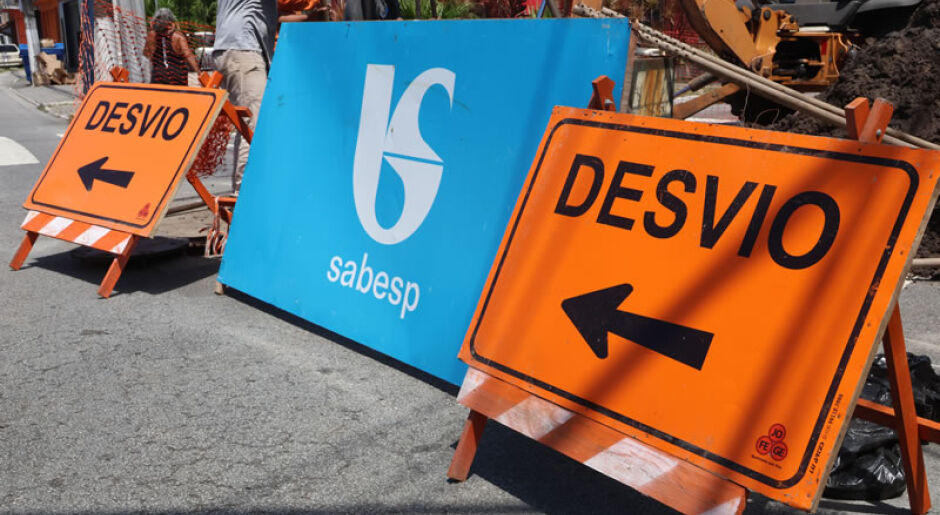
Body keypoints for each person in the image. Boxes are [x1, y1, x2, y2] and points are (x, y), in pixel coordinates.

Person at [213, 0, 319, 194]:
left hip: (232, 48)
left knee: (246, 125)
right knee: (256, 124)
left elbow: (275, 14)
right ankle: (245, 193)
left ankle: (242, 190)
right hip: (244, 49)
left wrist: (309, 17)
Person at [143, 8, 200, 86]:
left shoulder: (152, 35)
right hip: (178, 76)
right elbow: (188, 55)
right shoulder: (178, 36)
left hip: (159, 75)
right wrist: (199, 72)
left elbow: (146, 54)